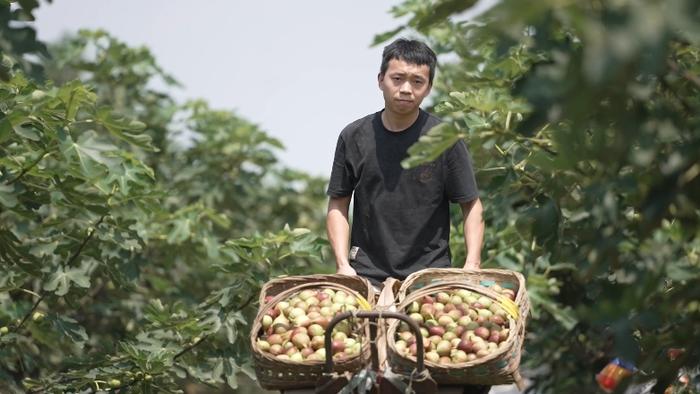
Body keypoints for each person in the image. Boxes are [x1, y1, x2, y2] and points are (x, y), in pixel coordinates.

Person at [325, 37, 488, 394]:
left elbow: (471, 205)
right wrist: (342, 266)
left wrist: (472, 264)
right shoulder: (354, 136)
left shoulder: (444, 138)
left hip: (429, 280)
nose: (406, 89)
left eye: (417, 81)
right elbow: (338, 204)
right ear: (380, 79)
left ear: (428, 87)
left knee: (456, 368)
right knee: (344, 368)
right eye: (397, 78)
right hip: (366, 276)